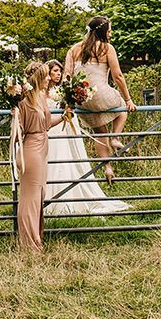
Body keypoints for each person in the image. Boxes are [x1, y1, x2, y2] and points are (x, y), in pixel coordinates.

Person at [43, 60, 130, 216]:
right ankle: (49, 199)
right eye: (54, 71)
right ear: (47, 73)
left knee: (67, 161)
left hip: (65, 128)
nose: (58, 74)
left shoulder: (64, 89)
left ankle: (69, 197)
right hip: (51, 131)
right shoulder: (42, 92)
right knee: (52, 162)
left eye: (59, 71)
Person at [64, 17, 137, 184]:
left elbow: (66, 76)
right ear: (102, 32)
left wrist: (69, 102)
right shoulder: (107, 48)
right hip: (101, 94)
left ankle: (107, 167)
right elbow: (117, 76)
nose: (110, 34)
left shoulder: (74, 49)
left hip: (82, 98)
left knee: (99, 133)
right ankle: (115, 138)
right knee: (122, 108)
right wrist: (128, 99)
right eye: (109, 31)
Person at [16, 61, 66, 250]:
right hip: (31, 149)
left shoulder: (40, 97)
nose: (49, 79)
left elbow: (45, 124)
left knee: (39, 195)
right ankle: (29, 244)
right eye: (45, 75)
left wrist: (64, 116)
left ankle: (37, 237)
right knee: (30, 197)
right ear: (37, 78)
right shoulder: (24, 100)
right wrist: (15, 117)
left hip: (43, 146)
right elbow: (19, 130)